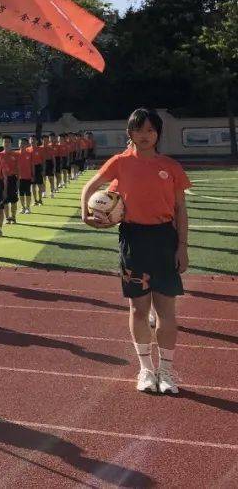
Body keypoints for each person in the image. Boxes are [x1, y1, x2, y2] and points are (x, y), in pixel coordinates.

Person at [80, 108, 189, 395]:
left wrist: (182, 247)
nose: (145, 135)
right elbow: (90, 186)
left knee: (166, 310)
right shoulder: (119, 162)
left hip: (165, 239)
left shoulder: (171, 166)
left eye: (151, 130)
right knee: (139, 309)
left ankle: (166, 371)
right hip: (133, 238)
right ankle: (146, 369)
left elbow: (181, 209)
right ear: (130, 133)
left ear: (158, 134)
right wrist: (84, 213)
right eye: (139, 130)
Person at [0, 136, 19, 224]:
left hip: (12, 179)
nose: (6, 143)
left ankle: (13, 217)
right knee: (5, 199)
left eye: (8, 142)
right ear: (2, 143)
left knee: (14, 199)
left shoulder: (15, 154)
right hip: (2, 179)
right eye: (5, 142)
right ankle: (7, 218)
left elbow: (18, 169)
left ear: (11, 143)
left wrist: (18, 181)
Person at [15, 137, 34, 216]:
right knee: (21, 193)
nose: (21, 145)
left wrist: (33, 175)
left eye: (23, 143)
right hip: (19, 177)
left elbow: (32, 165)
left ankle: (28, 207)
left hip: (28, 176)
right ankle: (23, 207)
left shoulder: (29, 154)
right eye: (20, 143)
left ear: (27, 145)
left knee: (28, 192)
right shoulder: (15, 154)